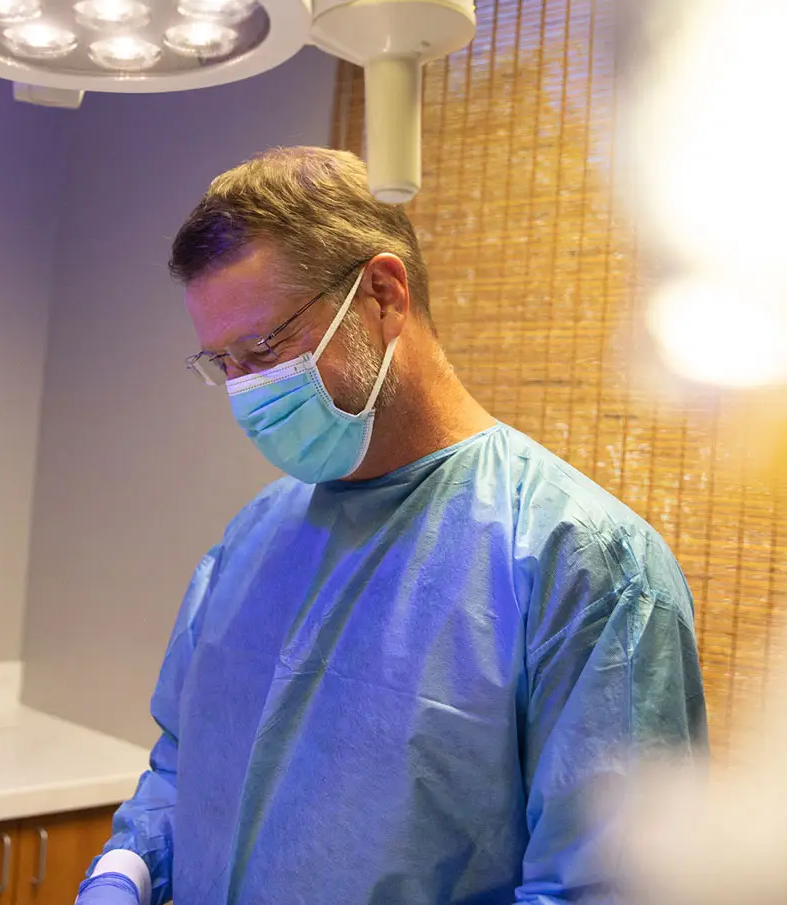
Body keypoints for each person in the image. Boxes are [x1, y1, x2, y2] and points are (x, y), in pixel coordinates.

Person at [75, 147, 707, 905]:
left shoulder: (582, 565)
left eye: (265, 348)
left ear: (381, 295)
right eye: (225, 362)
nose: (245, 390)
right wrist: (126, 870)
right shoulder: (253, 538)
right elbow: (184, 767)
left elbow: (609, 887)